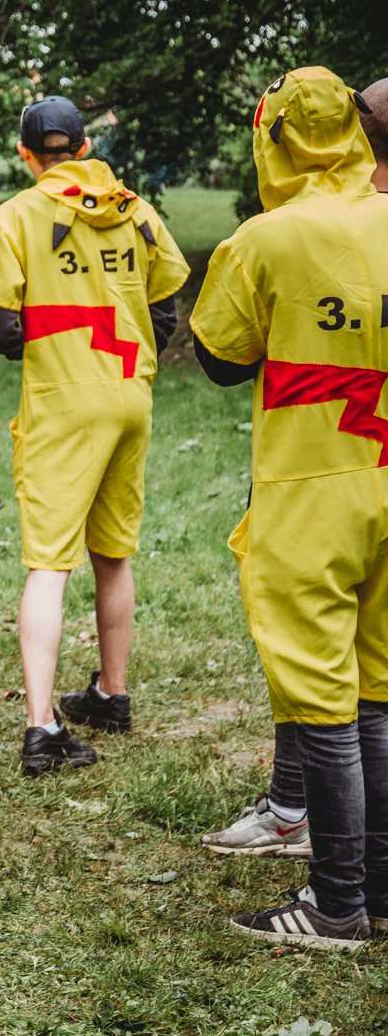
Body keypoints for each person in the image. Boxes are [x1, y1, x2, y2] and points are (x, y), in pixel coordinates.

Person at [189, 68, 387, 949]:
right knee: (380, 695)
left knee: (323, 704)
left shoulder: (267, 238)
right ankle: (377, 890)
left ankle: (336, 903)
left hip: (313, 491)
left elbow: (223, 356)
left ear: (274, 139)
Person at [0, 96, 189, 774]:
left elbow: (1, 331)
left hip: (64, 405)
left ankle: (41, 729)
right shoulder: (137, 210)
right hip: (131, 398)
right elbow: (166, 312)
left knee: (48, 564)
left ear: (26, 154)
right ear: (85, 148)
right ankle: (111, 694)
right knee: (113, 551)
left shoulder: (16, 217)